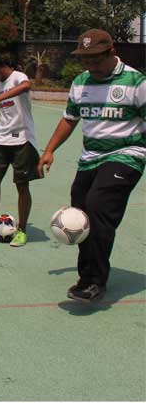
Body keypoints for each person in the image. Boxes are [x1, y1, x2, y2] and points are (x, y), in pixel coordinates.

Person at [38, 29, 144, 302]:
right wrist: (49, 150)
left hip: (126, 154)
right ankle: (87, 274)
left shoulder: (136, 82)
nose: (91, 66)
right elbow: (69, 118)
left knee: (98, 207)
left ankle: (94, 281)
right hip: (90, 157)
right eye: (85, 60)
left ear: (112, 52)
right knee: (80, 213)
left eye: (96, 59)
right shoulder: (80, 82)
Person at [0, 52, 39, 247]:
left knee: (22, 185)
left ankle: (22, 230)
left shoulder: (18, 77)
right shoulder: (1, 83)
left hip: (22, 139)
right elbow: (7, 108)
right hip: (1, 139)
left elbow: (26, 86)